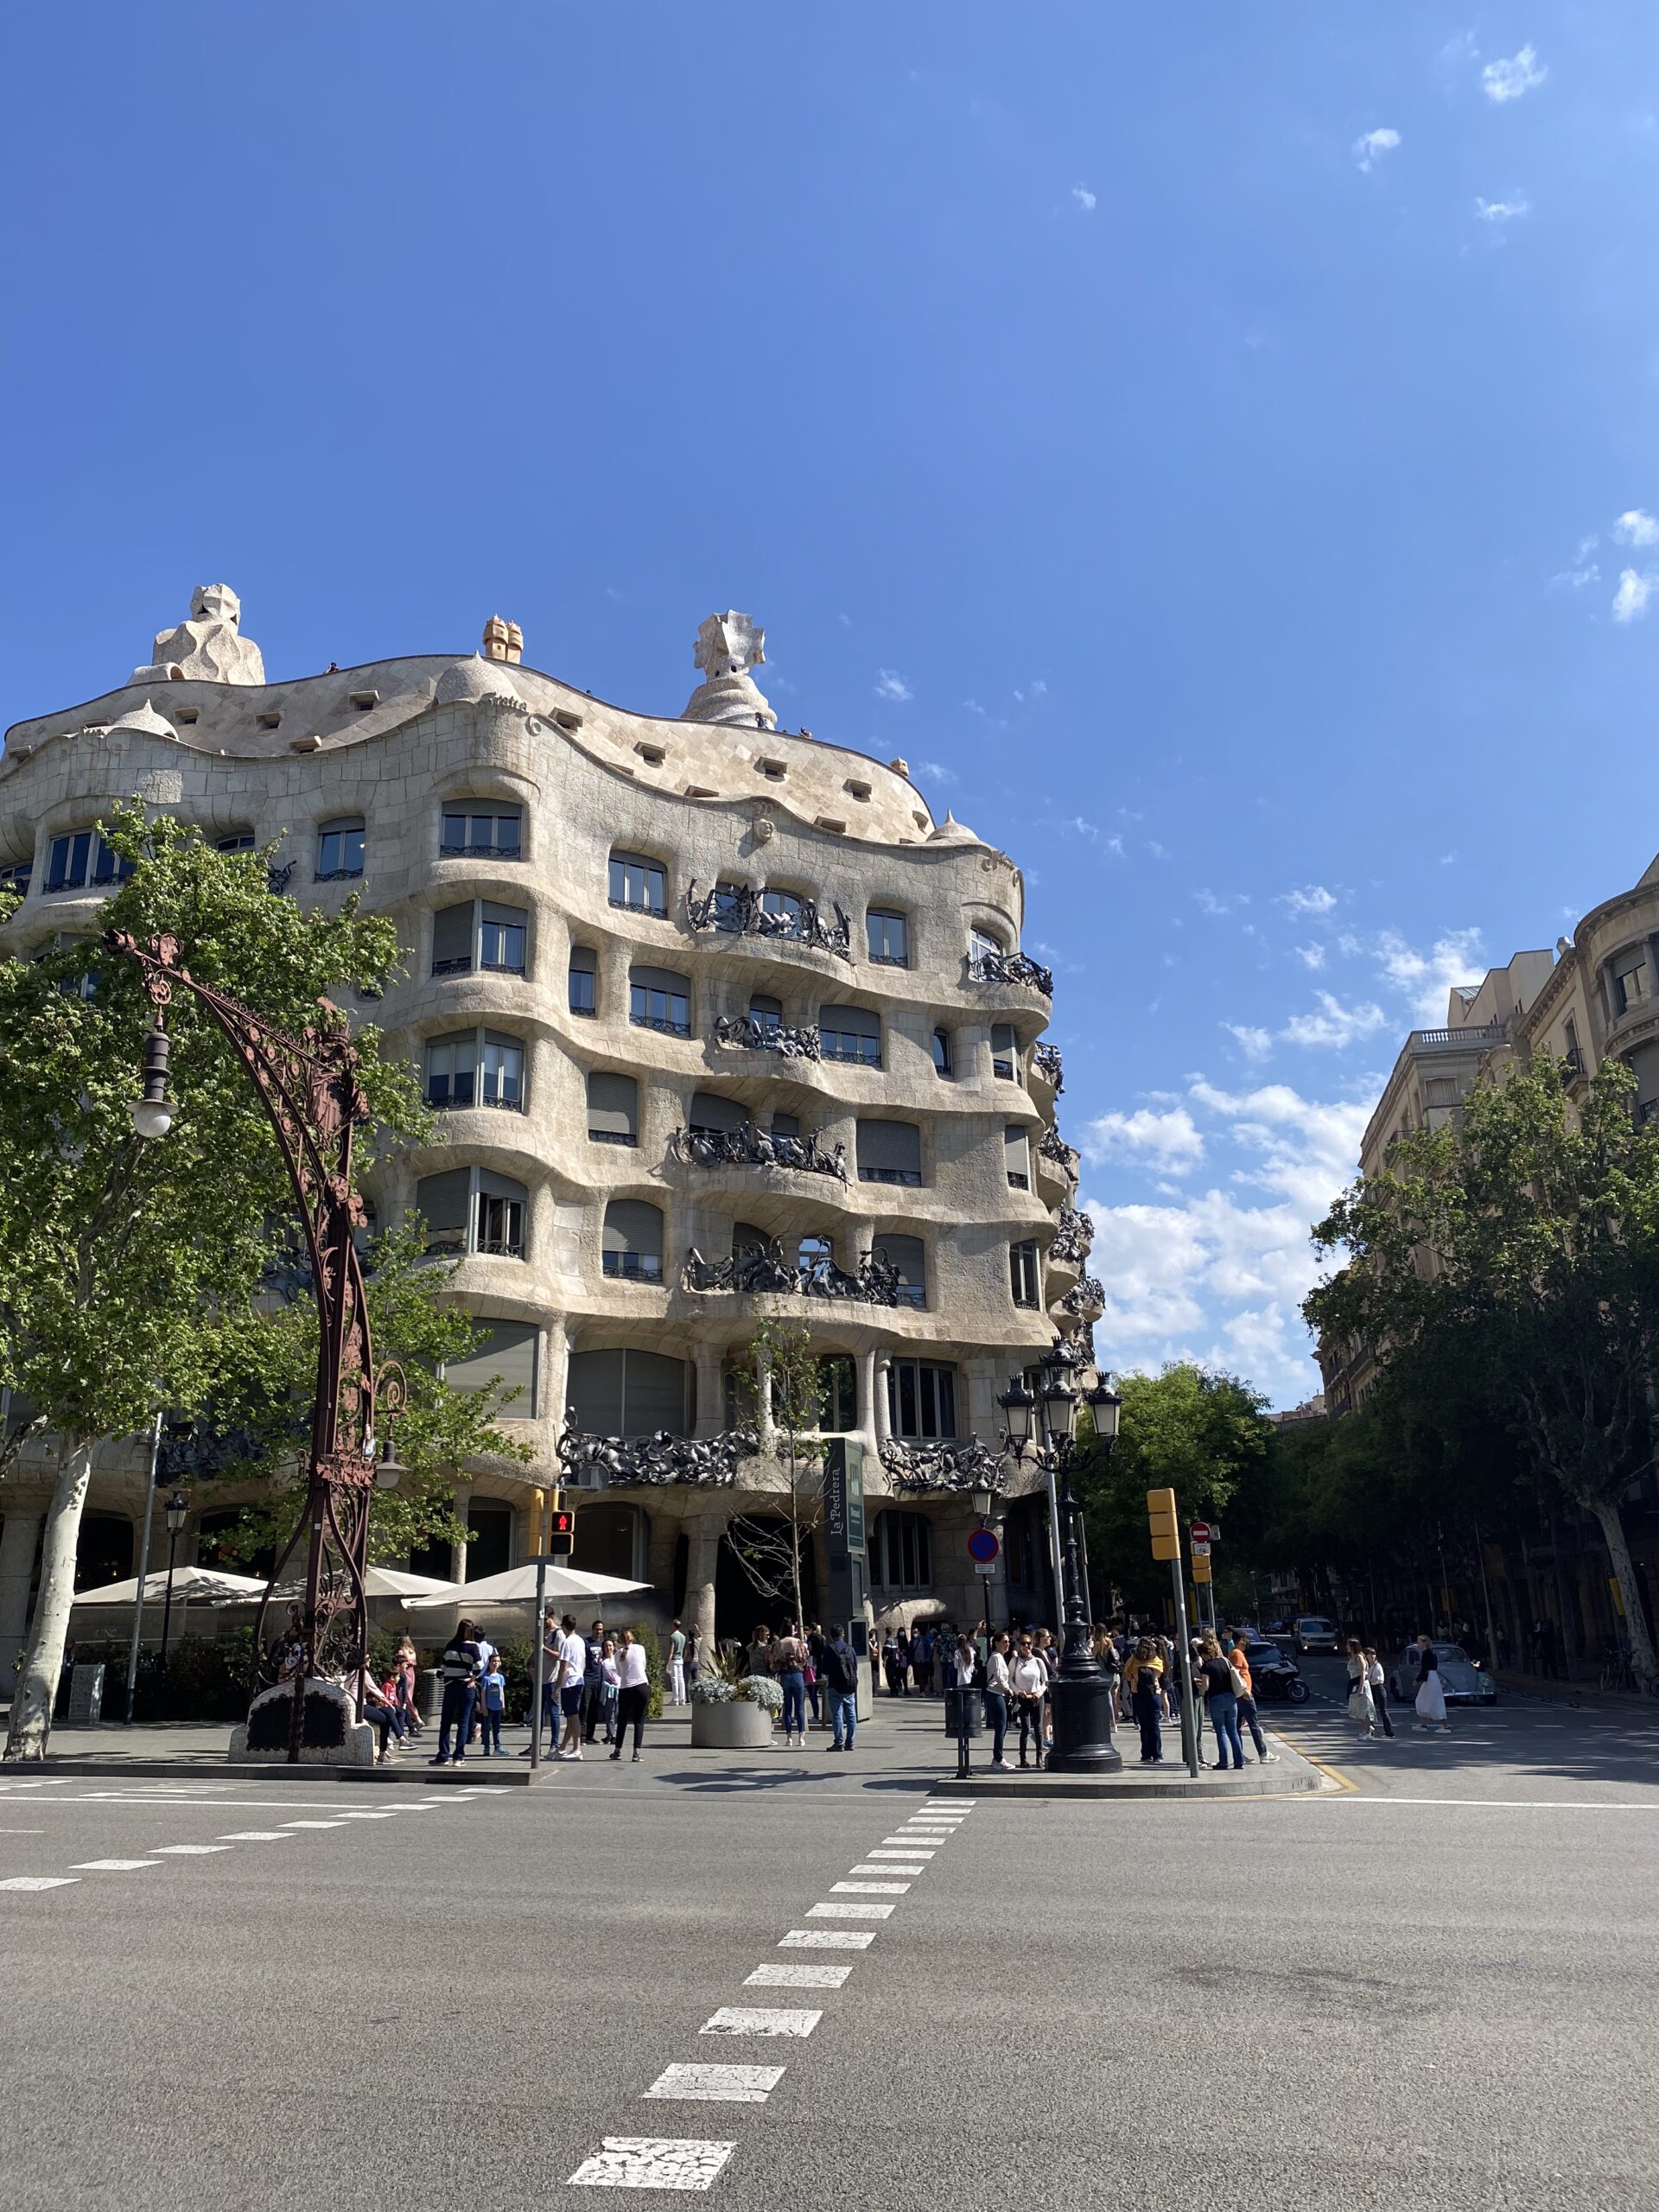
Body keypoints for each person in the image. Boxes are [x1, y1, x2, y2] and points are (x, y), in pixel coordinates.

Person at [431, 1618, 482, 1766]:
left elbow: (443, 1669)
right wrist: (473, 1679)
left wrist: (445, 1675)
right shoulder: (473, 1646)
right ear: (471, 1631)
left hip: (450, 1686)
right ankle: (458, 1757)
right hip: (466, 1687)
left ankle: (443, 1756)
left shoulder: (450, 1645)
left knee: (445, 1722)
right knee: (463, 1722)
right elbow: (479, 1667)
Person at [1197, 1630, 1244, 1770]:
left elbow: (1205, 1687)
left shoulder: (1207, 1666)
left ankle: (1224, 1762)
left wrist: (1198, 1683)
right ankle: (1239, 1761)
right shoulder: (1225, 1661)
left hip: (1216, 1699)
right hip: (1230, 1698)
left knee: (1221, 1732)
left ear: (1204, 1654)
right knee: (1233, 1731)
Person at [1229, 1634, 1276, 1763]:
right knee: (1254, 1724)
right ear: (1241, 1640)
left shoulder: (1235, 1653)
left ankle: (1239, 1756)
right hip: (1244, 1695)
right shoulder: (1237, 1653)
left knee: (1237, 1726)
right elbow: (1236, 1674)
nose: (1247, 1643)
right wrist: (1245, 1691)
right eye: (1246, 1640)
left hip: (1240, 1695)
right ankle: (1263, 1753)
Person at [611, 1627, 649, 1761]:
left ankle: (617, 1750)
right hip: (641, 1686)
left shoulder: (617, 1654)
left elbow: (619, 1673)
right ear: (632, 1638)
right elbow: (643, 1665)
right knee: (639, 1720)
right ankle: (636, 1753)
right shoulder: (640, 1648)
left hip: (626, 1687)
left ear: (620, 1641)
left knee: (622, 1720)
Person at [1011, 1634, 1047, 1769]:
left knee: (1038, 1728)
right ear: (1020, 1646)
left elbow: (1045, 1681)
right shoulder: (1015, 1661)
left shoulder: (1038, 1661)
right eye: (1023, 1643)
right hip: (1023, 1698)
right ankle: (1023, 1758)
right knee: (1025, 1728)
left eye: (1029, 1643)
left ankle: (1039, 1758)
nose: (1027, 1646)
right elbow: (1010, 1679)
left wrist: (1039, 1693)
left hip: (1037, 1697)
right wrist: (1017, 1691)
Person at [1127, 1637, 1165, 1764]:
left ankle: (1146, 1755)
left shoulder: (1133, 1661)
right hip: (1154, 1694)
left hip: (1139, 1694)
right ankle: (1158, 1755)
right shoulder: (1156, 1661)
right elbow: (1160, 1674)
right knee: (1155, 1725)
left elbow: (1126, 1673)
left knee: (1144, 1726)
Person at [822, 1621, 858, 1750]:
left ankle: (839, 1742)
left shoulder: (829, 1649)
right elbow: (855, 1666)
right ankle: (851, 1742)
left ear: (832, 1636)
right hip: (849, 1686)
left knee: (837, 1714)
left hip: (835, 1685)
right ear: (843, 1634)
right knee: (851, 1714)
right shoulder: (850, 1649)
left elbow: (824, 1669)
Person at [773, 1620, 809, 1748]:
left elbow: (775, 1659)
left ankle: (789, 1737)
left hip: (784, 1675)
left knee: (787, 1708)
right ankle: (801, 1737)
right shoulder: (798, 1642)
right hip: (797, 1674)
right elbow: (804, 1658)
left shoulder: (779, 1643)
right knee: (799, 1707)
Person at [556, 1612, 587, 1760]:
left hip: (570, 1682)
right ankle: (563, 1748)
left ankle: (577, 1748)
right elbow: (584, 1662)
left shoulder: (567, 1643)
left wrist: (557, 1686)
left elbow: (563, 1665)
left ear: (564, 1627)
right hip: (579, 1680)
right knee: (570, 1716)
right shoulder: (580, 1641)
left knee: (573, 1717)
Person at [983, 1630, 1013, 1770]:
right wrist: (1007, 1689)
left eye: (1008, 1642)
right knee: (1001, 1726)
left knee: (1003, 1726)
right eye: (1004, 1642)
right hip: (994, 1694)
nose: (1007, 1644)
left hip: (998, 1694)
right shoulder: (996, 1658)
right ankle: (998, 1758)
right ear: (996, 1643)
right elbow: (999, 1676)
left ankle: (997, 1757)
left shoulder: (1000, 1657)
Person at [1414, 1634, 1451, 1733]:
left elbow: (1424, 1669)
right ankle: (1424, 1724)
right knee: (1427, 1700)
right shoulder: (1432, 1653)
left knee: (1425, 1700)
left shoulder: (1426, 1654)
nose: (1418, 1644)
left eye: (1419, 1642)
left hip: (1429, 1679)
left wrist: (1417, 1680)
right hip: (1433, 1678)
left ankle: (1444, 1726)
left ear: (1424, 1643)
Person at [581, 1618, 607, 1743]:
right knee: (585, 1707)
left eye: (601, 1629)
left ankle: (591, 1735)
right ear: (593, 1629)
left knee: (594, 1708)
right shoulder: (586, 1642)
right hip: (588, 1678)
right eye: (597, 1629)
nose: (599, 1631)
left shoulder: (602, 1644)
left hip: (599, 1679)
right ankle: (582, 1735)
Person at [1344, 1638, 1377, 1739]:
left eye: (1348, 1645)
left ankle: (1369, 1732)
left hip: (1360, 1684)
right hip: (1354, 1683)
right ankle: (1368, 1728)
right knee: (1355, 1709)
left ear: (1353, 1646)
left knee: (1363, 1709)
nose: (1346, 1647)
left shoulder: (1359, 1657)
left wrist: (1361, 1688)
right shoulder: (1352, 1657)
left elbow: (1363, 1673)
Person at [393, 1633, 423, 1738]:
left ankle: (417, 1719)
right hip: (412, 1674)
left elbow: (398, 1662)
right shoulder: (412, 1651)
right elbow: (414, 1663)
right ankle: (413, 1721)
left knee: (406, 1699)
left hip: (404, 1674)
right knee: (408, 1696)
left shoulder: (402, 1651)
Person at [479, 1651, 507, 1755]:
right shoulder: (486, 1678)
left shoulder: (500, 1677)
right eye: (493, 1661)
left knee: (497, 1728)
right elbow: (483, 1694)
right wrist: (484, 1707)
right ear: (489, 1663)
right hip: (489, 1707)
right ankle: (486, 1747)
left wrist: (503, 1706)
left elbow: (502, 1692)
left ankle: (497, 1747)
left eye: (498, 1661)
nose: (496, 1663)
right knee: (486, 1728)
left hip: (497, 1707)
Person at [1363, 1646, 1395, 1739]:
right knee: (1369, 1710)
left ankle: (1389, 1733)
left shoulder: (1378, 1666)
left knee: (1383, 1711)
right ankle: (1370, 1731)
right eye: (1370, 1654)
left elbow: (1379, 1679)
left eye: (1373, 1654)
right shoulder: (1368, 1666)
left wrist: (1369, 1679)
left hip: (1379, 1688)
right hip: (1371, 1688)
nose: (1372, 1656)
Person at [598, 1637, 620, 1743]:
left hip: (619, 1688)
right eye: (606, 1646)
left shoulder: (618, 1658)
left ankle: (616, 1734)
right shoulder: (602, 1661)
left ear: (613, 1647)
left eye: (610, 1645)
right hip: (608, 1689)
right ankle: (611, 1735)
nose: (608, 1648)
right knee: (610, 1713)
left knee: (618, 1713)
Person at [666, 1619, 688, 1707]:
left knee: (674, 1680)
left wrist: (667, 1663)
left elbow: (671, 1651)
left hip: (674, 1660)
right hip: (680, 1659)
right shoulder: (683, 1636)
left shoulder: (673, 1636)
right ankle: (683, 1699)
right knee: (681, 1679)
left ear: (674, 1626)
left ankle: (675, 1700)